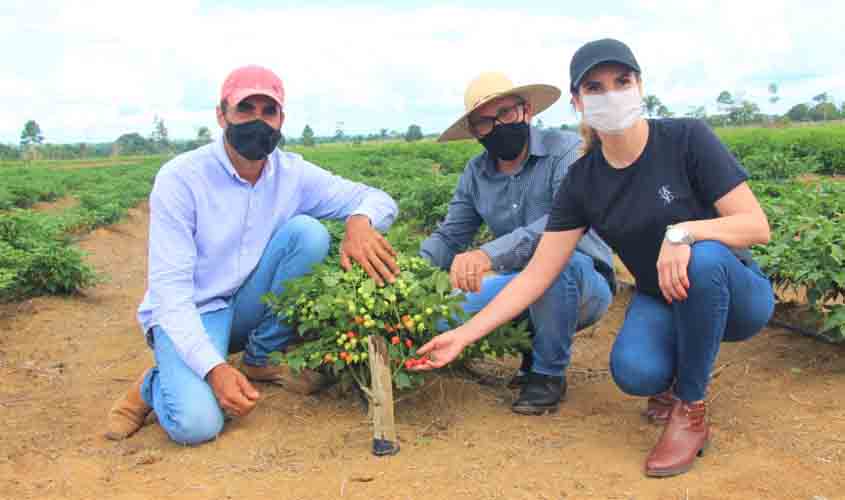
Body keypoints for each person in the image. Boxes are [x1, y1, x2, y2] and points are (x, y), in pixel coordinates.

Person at [413, 39, 775, 478]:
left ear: (639, 86)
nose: (612, 95)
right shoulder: (583, 180)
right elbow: (537, 274)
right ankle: (676, 369)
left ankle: (690, 409)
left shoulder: (685, 139)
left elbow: (756, 225)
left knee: (704, 258)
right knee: (635, 373)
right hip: (661, 296)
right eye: (595, 87)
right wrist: (462, 336)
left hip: (735, 292)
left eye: (622, 81)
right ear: (578, 101)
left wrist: (684, 232)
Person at [106, 65, 400, 445]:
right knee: (196, 425)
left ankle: (260, 358)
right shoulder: (181, 179)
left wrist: (359, 221)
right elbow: (170, 295)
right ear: (221, 115)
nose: (258, 121)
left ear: (281, 120)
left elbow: (378, 199)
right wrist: (214, 369)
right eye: (245, 109)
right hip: (196, 309)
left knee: (308, 234)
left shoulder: (292, 173)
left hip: (247, 301)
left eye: (268, 111)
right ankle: (153, 384)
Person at [420, 72, 615, 415]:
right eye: (485, 122)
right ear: (475, 132)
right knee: (439, 317)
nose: (498, 127)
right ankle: (531, 344)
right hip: (518, 283)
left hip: (583, 282)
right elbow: (450, 235)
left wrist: (488, 254)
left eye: (505, 114)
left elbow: (562, 224)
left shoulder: (566, 152)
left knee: (559, 265)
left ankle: (547, 373)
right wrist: (411, 272)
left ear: (526, 111)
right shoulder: (476, 173)